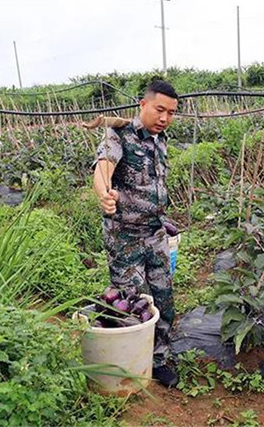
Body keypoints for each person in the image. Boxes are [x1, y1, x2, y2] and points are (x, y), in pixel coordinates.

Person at [93, 80, 179, 387]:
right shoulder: (118, 136)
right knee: (131, 303)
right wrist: (104, 193)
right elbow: (103, 167)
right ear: (142, 104)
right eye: (159, 109)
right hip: (125, 237)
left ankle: (160, 359)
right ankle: (130, 363)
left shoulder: (160, 140)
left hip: (155, 235)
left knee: (163, 298)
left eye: (171, 112)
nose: (164, 118)